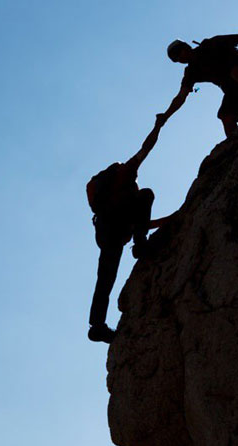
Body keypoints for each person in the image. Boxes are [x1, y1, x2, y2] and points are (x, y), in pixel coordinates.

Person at [86, 124, 160, 344]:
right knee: (147, 194)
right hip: (114, 229)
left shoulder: (113, 190)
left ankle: (97, 326)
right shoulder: (126, 175)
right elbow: (146, 148)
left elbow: (142, 222)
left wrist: (174, 218)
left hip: (110, 233)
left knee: (105, 279)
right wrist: (159, 125)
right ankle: (140, 244)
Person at [157, 34, 238, 136]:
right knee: (225, 116)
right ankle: (236, 144)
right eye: (176, 59)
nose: (180, 59)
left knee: (235, 72)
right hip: (233, 89)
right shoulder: (191, 72)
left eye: (179, 53)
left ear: (186, 47)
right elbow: (181, 97)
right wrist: (166, 115)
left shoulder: (211, 45)